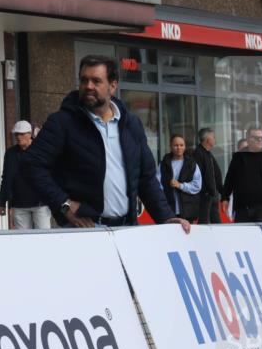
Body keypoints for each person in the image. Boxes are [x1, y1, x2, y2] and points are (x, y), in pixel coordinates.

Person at [23, 55, 189, 232]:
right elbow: (31, 165)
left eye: (96, 81)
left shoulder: (131, 124)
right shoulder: (63, 122)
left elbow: (146, 178)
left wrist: (166, 217)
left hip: (127, 229)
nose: (88, 86)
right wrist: (64, 205)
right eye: (84, 80)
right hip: (85, 231)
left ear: (113, 86)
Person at [220, 127, 262, 223]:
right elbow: (230, 179)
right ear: (248, 139)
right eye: (257, 138)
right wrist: (225, 197)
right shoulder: (239, 157)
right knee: (242, 235)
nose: (260, 140)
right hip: (242, 207)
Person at [0, 120, 52, 229]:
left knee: (44, 239)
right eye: (16, 134)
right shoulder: (11, 153)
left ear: (30, 134)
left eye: (22, 134)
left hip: (40, 203)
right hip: (19, 204)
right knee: (23, 240)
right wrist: (2, 201)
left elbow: (50, 175)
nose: (18, 137)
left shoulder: (40, 151)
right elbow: (6, 177)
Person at [156, 134, 202, 221]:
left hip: (187, 210)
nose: (179, 148)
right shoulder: (163, 164)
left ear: (185, 146)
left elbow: (197, 185)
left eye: (181, 145)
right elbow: (157, 184)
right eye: (175, 145)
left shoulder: (191, 164)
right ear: (170, 146)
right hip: (168, 209)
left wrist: (180, 185)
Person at [193, 127, 224, 224]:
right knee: (204, 222)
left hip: (212, 194)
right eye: (213, 137)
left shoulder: (208, 153)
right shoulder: (198, 153)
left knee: (216, 222)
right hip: (205, 195)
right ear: (208, 140)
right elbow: (198, 175)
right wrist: (206, 191)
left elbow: (216, 174)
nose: (215, 139)